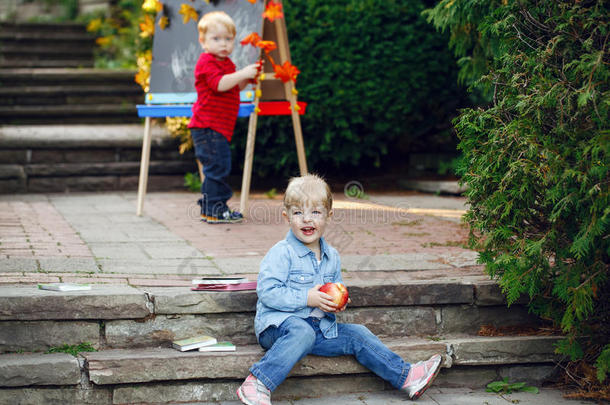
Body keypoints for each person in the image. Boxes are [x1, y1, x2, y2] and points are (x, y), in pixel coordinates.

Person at [237, 174, 442, 405]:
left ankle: (407, 376)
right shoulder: (281, 252)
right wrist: (308, 297)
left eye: (315, 212)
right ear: (287, 217)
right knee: (301, 332)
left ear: (328, 215)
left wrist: (337, 303)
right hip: (278, 326)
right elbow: (268, 292)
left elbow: (336, 288)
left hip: (316, 328)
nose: (307, 220)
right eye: (298, 213)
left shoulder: (331, 256)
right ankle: (258, 382)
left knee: (358, 334)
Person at [189, 11, 260, 223]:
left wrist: (246, 79)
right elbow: (218, 84)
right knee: (216, 168)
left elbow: (232, 86)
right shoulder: (207, 62)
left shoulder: (226, 63)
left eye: (228, 39)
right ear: (203, 42)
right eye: (216, 39)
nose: (223, 44)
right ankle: (214, 209)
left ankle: (211, 207)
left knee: (218, 166)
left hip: (217, 127)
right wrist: (243, 73)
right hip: (207, 127)